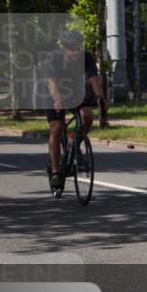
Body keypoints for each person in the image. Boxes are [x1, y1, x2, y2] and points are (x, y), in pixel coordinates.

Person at [42, 29, 105, 192]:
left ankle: (72, 144)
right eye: (71, 49)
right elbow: (52, 82)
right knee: (56, 128)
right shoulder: (53, 58)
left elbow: (93, 79)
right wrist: (57, 99)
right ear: (64, 48)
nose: (75, 52)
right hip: (52, 93)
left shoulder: (87, 57)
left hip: (75, 92)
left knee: (88, 116)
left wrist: (100, 97)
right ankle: (56, 172)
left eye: (78, 48)